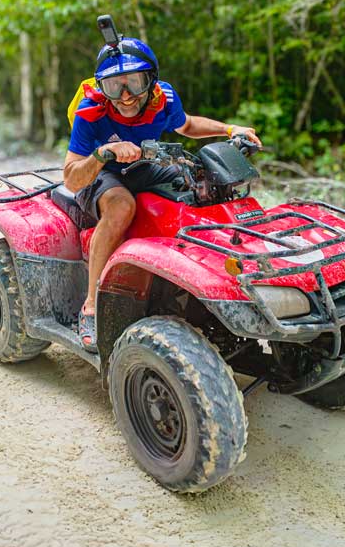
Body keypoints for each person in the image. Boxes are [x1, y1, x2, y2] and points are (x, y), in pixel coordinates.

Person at [63, 33, 261, 349]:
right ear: (103, 87)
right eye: (114, 86)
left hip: (145, 166)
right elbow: (72, 178)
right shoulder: (91, 111)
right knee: (121, 207)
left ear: (151, 80)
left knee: (204, 184)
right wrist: (104, 154)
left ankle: (230, 278)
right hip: (100, 175)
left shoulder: (163, 99)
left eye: (134, 83)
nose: (126, 95)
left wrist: (229, 129)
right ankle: (89, 305)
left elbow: (188, 125)